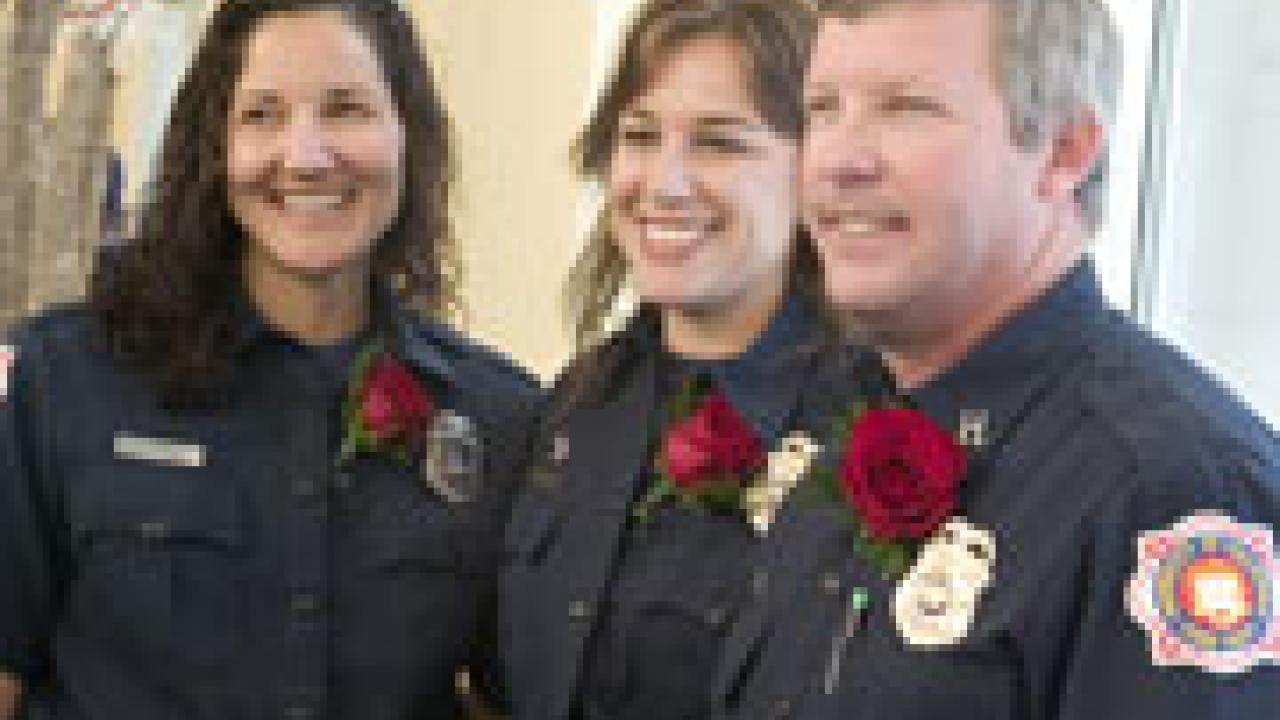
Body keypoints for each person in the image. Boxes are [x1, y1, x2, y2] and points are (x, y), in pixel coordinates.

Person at [711, 0, 1280, 718]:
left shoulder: (1173, 489)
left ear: (1065, 151)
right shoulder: (840, 416)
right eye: (823, 109)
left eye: (907, 108)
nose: (838, 160)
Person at [0, 1, 539, 718]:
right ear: (215, 146)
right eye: (262, 115)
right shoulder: (64, 379)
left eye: (345, 109)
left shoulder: (501, 420)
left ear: (407, 134)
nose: (306, 156)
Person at [499, 1, 891, 718]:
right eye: (640, 136)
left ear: (814, 168)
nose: (664, 184)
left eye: (719, 143)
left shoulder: (876, 435)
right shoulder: (574, 406)